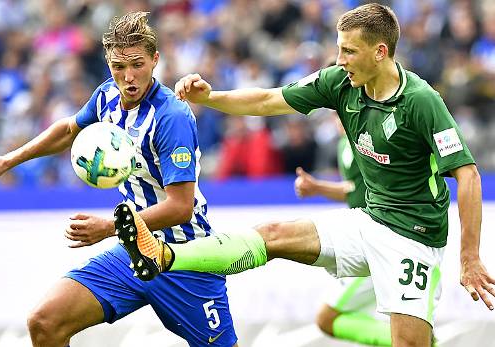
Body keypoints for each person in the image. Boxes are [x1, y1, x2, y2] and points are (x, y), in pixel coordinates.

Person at [113, 4, 495, 347]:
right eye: (338, 48)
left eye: (349, 51)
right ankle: (165, 255)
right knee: (275, 235)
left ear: (380, 53)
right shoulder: (340, 82)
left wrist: (470, 257)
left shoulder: (421, 101)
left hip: (415, 239)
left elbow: (469, 175)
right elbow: (268, 99)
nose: (339, 59)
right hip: (369, 221)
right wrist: (210, 98)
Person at [0, 12, 238, 347]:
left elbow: (181, 208)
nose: (128, 77)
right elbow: (69, 130)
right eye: (118, 67)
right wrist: (8, 160)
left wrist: (109, 228)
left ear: (155, 60)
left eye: (137, 64)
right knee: (45, 322)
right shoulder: (106, 97)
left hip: (184, 257)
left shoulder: (171, 117)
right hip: (133, 252)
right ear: (107, 63)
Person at [295, 115, 389, 346]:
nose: (338, 119)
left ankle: (417, 341)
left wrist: (318, 187)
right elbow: (352, 189)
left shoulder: (368, 140)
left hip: (378, 242)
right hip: (363, 238)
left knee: (327, 318)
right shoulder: (343, 144)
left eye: (341, 113)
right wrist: (317, 188)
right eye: (334, 114)